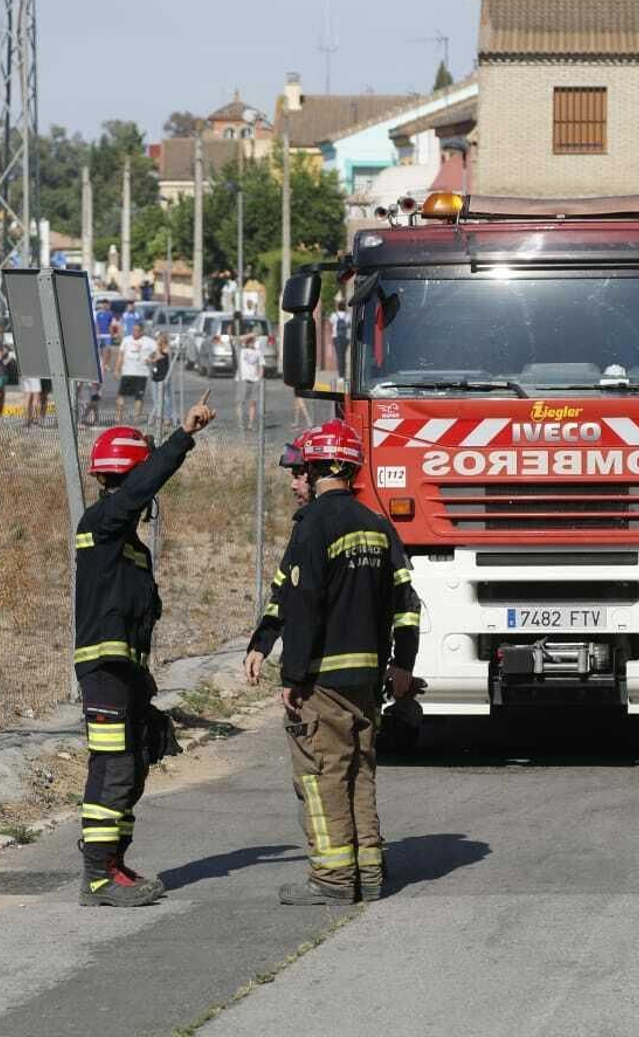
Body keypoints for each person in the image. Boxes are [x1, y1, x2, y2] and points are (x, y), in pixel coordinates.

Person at [74, 391, 217, 907]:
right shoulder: (103, 522)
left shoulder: (129, 545)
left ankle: (114, 863)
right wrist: (184, 437)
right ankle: (98, 877)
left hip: (128, 671)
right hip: (104, 670)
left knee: (134, 763)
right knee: (113, 767)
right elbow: (137, 491)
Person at [273, 418, 420, 905]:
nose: (301, 478)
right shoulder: (377, 525)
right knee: (360, 770)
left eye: (305, 468)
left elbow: (303, 606)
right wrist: (402, 662)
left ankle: (333, 879)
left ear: (317, 468)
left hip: (323, 679)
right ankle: (369, 871)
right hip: (368, 678)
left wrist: (292, 675)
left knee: (322, 775)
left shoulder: (313, 524)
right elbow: (406, 602)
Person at [243, 435, 314, 685]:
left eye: (299, 475)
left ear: (319, 473)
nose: (293, 485)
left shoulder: (316, 528)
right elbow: (283, 593)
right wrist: (261, 645)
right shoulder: (303, 526)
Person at [114, 320, 156, 425]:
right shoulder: (126, 340)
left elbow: (157, 351)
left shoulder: (149, 341)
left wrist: (151, 358)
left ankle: (136, 419)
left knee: (139, 397)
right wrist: (117, 369)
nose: (135, 332)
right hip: (127, 372)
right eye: (134, 330)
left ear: (142, 331)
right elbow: (120, 355)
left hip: (141, 373)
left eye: (137, 330)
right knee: (121, 395)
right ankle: (118, 418)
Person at [235, 331, 263, 432]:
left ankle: (250, 424)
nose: (252, 342)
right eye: (250, 341)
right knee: (240, 402)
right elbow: (237, 340)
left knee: (253, 403)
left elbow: (261, 366)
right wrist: (251, 334)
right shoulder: (242, 350)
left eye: (253, 341)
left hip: (254, 380)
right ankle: (240, 423)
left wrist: (259, 378)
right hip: (243, 379)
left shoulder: (258, 352)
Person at [147, 332, 174, 426]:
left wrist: (158, 348)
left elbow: (159, 357)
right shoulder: (157, 350)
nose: (157, 342)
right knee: (156, 399)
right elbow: (149, 359)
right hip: (155, 377)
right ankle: (159, 417)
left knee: (166, 399)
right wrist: (152, 356)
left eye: (158, 340)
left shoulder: (167, 350)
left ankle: (167, 417)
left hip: (164, 378)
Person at [329, 298, 349, 386]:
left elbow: (330, 322)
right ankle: (343, 375)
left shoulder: (334, 315)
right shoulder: (348, 315)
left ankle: (341, 377)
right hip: (346, 338)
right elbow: (349, 325)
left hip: (337, 338)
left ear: (338, 307)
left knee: (339, 357)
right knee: (343, 357)